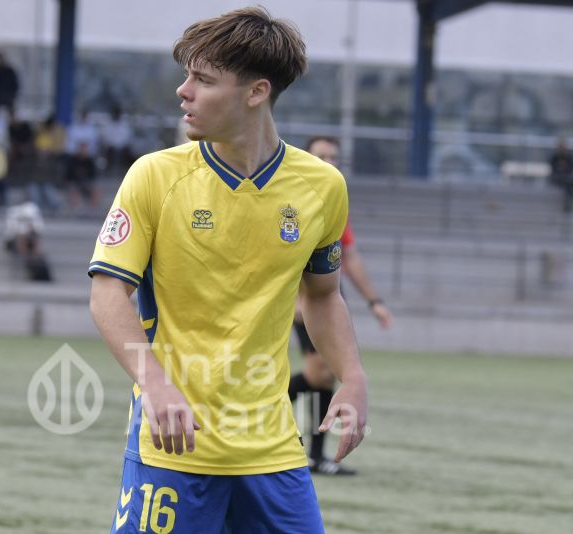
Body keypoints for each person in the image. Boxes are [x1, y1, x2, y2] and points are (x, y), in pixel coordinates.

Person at [88, 8, 367, 533]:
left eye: (203, 79)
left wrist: (352, 377)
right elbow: (107, 294)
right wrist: (156, 386)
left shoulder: (322, 187)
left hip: (274, 451)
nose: (183, 91)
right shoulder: (154, 176)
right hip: (174, 446)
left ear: (256, 92)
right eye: (187, 75)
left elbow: (324, 296)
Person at [288, 136, 393, 477]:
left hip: (327, 287)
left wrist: (374, 301)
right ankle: (263, 409)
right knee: (320, 371)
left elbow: (349, 257)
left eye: (333, 156)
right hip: (301, 289)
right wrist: (297, 300)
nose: (329, 161)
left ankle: (317, 457)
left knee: (325, 374)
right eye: (321, 155)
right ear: (306, 157)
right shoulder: (289, 196)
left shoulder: (332, 200)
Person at [549, 137, 573, 213]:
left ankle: (567, 206)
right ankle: (567, 206)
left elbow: (570, 169)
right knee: (568, 185)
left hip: (566, 179)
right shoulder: (554, 157)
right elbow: (553, 170)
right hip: (557, 178)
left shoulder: (569, 157)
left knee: (568, 184)